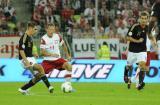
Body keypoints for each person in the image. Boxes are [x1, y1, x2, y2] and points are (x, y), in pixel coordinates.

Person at [18, 22, 53, 95]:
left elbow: (27, 50)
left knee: (38, 77)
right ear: (30, 28)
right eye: (35, 29)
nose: (36, 31)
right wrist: (26, 61)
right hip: (25, 59)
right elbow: (21, 50)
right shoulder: (24, 37)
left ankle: (23, 89)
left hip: (31, 58)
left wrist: (34, 54)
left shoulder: (30, 37)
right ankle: (49, 86)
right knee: (40, 67)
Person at [124, 11, 156, 90]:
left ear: (147, 19)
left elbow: (150, 36)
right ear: (139, 19)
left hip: (142, 51)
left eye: (145, 19)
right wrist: (137, 41)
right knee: (129, 66)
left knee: (142, 66)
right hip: (132, 51)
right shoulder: (135, 26)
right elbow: (127, 37)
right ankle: (126, 76)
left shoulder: (148, 28)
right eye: (142, 18)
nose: (143, 20)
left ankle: (139, 84)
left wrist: (154, 41)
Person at [40, 23, 73, 90]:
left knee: (69, 66)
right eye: (50, 29)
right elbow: (42, 52)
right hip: (47, 61)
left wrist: (68, 55)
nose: (52, 31)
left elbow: (64, 45)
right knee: (39, 75)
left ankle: (67, 85)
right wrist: (52, 55)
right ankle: (27, 88)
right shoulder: (43, 38)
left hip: (57, 59)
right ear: (47, 29)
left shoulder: (57, 36)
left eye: (53, 29)